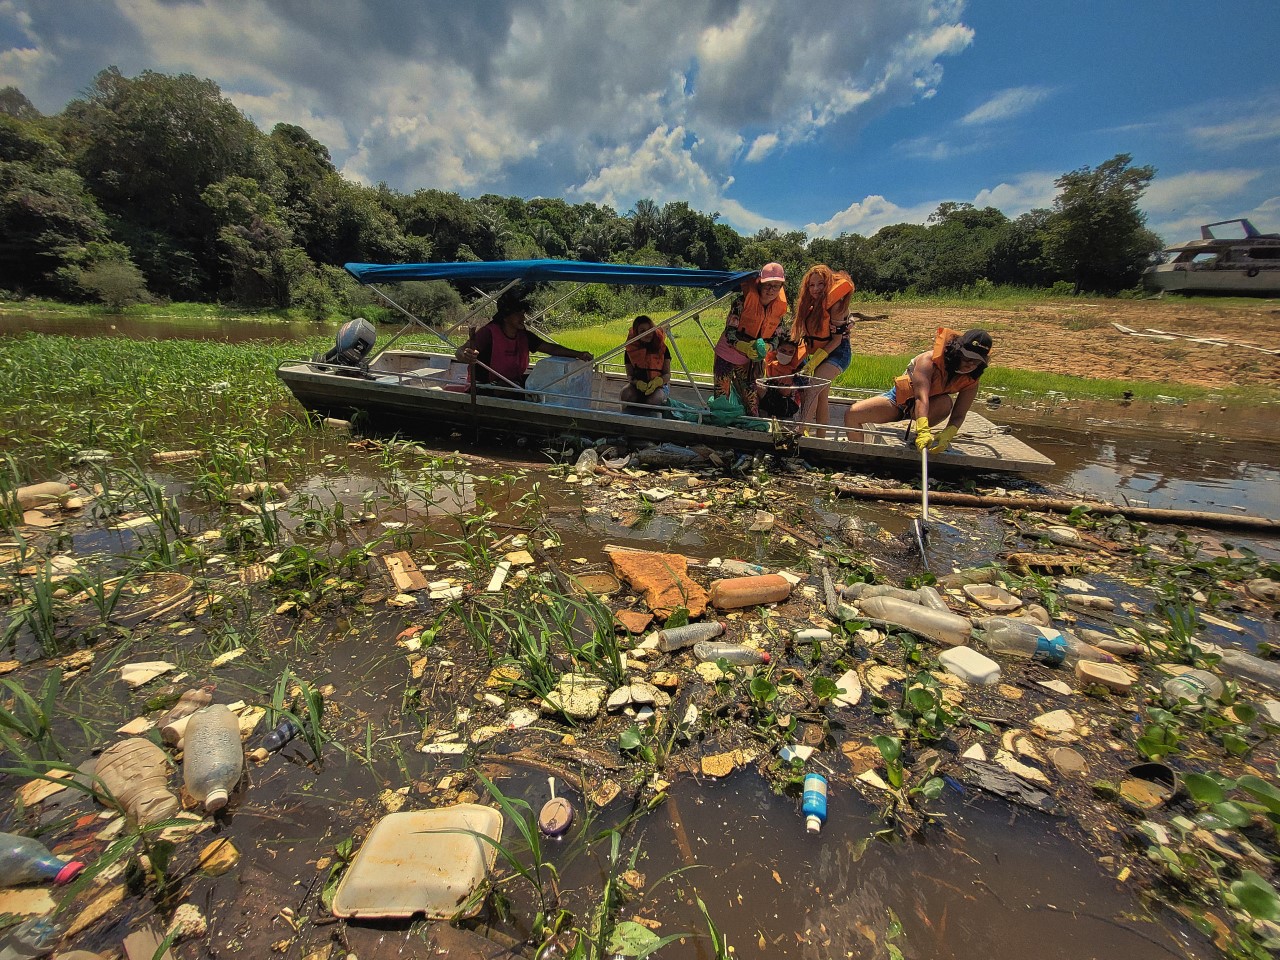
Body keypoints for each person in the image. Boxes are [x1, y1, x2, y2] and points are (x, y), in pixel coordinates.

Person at [842, 327, 992, 452]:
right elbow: (921, 397)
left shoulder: (972, 379)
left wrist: (948, 433)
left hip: (932, 408)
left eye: (977, 361)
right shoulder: (928, 361)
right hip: (899, 403)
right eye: (967, 358)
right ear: (957, 351)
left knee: (945, 402)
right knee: (852, 414)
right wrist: (923, 429)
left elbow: (959, 414)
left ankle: (919, 441)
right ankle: (860, 455)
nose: (971, 364)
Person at [455, 288, 592, 393]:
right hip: (484, 388)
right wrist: (465, 355)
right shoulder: (488, 333)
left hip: (512, 384)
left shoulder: (524, 336)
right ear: (505, 317)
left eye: (523, 314)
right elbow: (460, 351)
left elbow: (551, 348)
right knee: (510, 388)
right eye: (518, 314)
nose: (523, 318)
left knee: (542, 383)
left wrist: (578, 354)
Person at [712, 262, 788, 417]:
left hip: (750, 361)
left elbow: (777, 338)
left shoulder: (778, 311)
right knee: (722, 395)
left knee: (751, 400)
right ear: (760, 283)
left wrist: (768, 347)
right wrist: (743, 346)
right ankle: (719, 424)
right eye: (767, 285)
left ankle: (752, 425)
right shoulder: (742, 302)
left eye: (776, 286)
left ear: (781, 287)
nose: (771, 290)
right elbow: (730, 331)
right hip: (727, 354)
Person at [791, 265, 855, 437]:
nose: (816, 289)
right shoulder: (811, 305)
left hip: (838, 353)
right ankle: (821, 437)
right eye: (812, 285)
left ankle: (799, 431)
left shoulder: (836, 306)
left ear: (828, 284)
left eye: (820, 284)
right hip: (820, 354)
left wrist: (814, 362)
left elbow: (837, 340)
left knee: (813, 388)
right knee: (821, 397)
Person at [619, 315, 671, 410]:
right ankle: (627, 417)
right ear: (637, 333)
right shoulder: (630, 350)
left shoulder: (663, 348)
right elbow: (630, 375)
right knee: (625, 394)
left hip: (659, 387)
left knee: (654, 400)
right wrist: (638, 383)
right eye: (642, 331)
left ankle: (652, 418)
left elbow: (667, 374)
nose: (648, 334)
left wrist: (657, 382)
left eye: (650, 330)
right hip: (637, 386)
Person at [757, 336, 808, 420]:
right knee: (755, 386)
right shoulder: (770, 362)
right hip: (771, 397)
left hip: (789, 405)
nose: (786, 354)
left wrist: (803, 419)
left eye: (790, 352)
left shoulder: (799, 369)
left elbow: (803, 395)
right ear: (776, 350)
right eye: (783, 351)